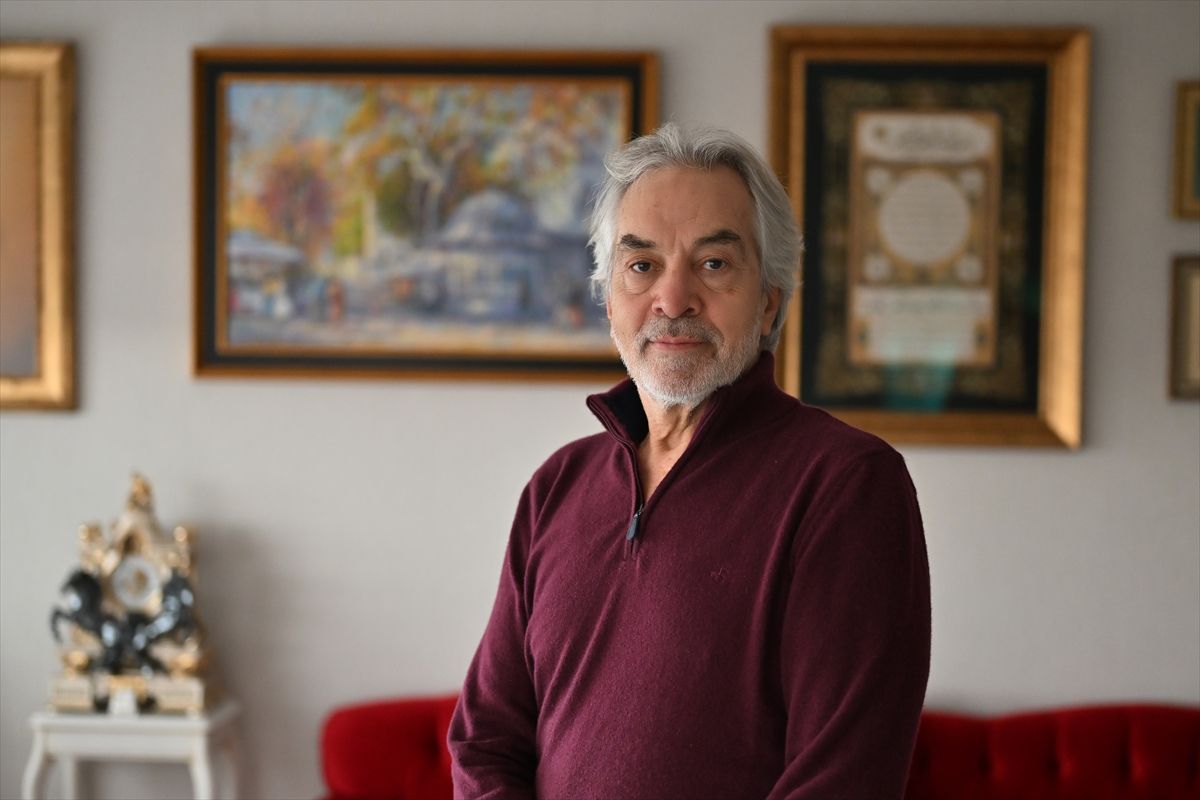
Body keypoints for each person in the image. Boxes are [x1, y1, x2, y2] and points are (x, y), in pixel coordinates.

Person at [448, 123, 931, 800]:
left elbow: (843, 781)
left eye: (714, 264)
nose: (673, 300)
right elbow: (485, 741)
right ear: (608, 298)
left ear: (769, 300)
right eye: (642, 265)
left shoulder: (846, 485)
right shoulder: (557, 486)